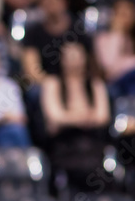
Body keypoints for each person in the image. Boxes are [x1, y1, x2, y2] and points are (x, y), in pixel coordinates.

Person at [40, 43, 110, 184]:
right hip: (64, 141)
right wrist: (84, 117)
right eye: (70, 56)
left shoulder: (95, 84)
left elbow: (103, 116)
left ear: (85, 58)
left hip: (91, 140)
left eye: (77, 56)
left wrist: (71, 116)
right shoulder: (52, 83)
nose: (74, 60)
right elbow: (54, 116)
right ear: (62, 59)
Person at [21, 0, 91, 88]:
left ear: (65, 2)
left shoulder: (78, 30)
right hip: (47, 85)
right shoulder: (33, 33)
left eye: (55, 0)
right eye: (47, 2)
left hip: (77, 83)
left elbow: (91, 64)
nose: (51, 5)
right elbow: (31, 69)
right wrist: (54, 87)